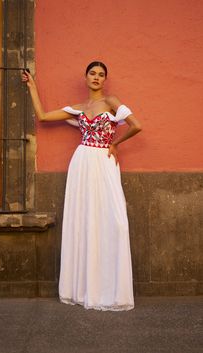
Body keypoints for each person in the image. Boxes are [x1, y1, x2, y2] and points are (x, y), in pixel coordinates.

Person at [22, 61, 142, 311]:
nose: (96, 77)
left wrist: (115, 144)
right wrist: (32, 87)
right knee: (83, 220)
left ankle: (109, 290)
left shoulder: (111, 102)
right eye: (92, 73)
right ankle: (83, 289)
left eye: (101, 74)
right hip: (81, 163)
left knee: (115, 222)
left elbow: (136, 125)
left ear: (104, 80)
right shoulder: (77, 109)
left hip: (104, 161)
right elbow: (43, 117)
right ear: (85, 77)